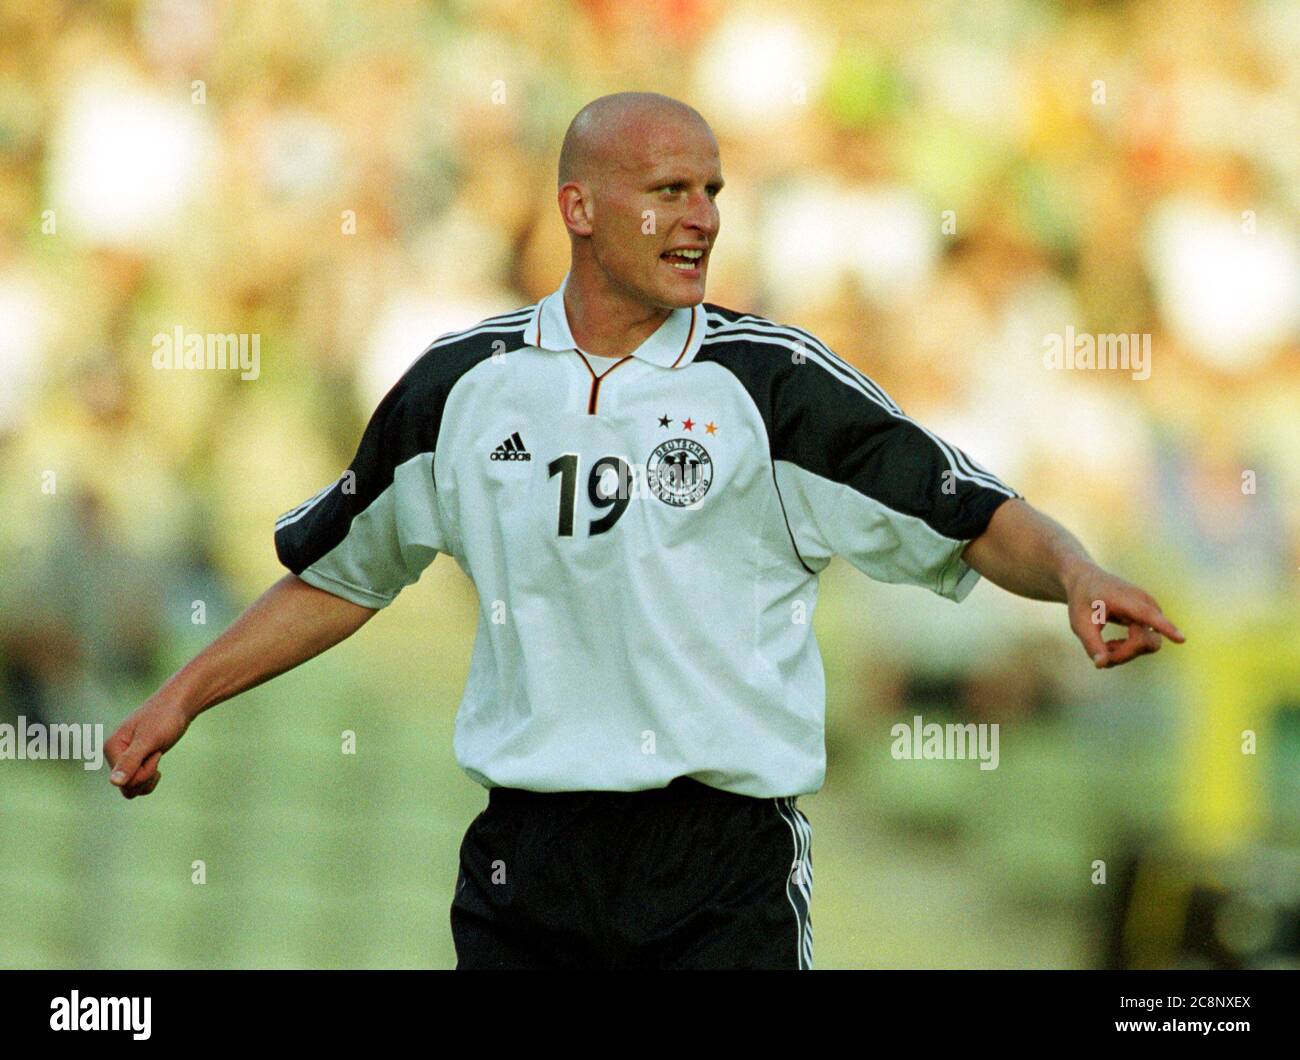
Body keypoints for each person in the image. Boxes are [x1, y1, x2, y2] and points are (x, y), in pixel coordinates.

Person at [106, 92, 1185, 969]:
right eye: (669, 189)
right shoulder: (461, 389)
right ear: (578, 206)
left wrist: (1073, 569)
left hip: (718, 864)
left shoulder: (773, 387)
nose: (703, 217)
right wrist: (176, 699)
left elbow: (967, 509)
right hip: (527, 858)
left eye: (713, 191)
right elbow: (342, 577)